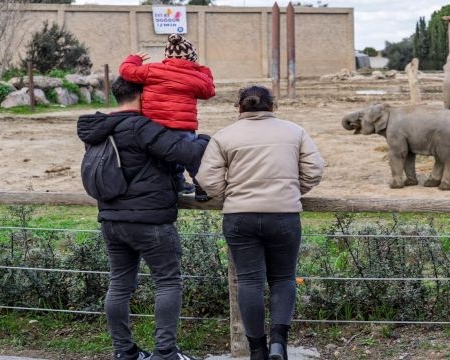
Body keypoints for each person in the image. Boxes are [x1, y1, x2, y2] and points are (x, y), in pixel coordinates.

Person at [77, 77, 208, 360]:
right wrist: (204, 139)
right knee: (168, 281)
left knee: (120, 283)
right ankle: (165, 352)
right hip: (150, 221)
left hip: (111, 219)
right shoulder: (140, 126)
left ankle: (125, 352)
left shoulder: (98, 130)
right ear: (144, 94)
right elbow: (185, 153)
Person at [196, 85, 325, 360]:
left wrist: (228, 195)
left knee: (249, 282)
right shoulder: (295, 131)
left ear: (239, 107)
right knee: (283, 278)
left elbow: (207, 178)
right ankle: (279, 343)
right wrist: (291, 191)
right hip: (284, 215)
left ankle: (256, 350)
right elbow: (314, 170)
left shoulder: (224, 136)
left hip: (239, 217)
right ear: (273, 106)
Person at [119, 33, 215, 201]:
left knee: (164, 158)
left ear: (166, 56)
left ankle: (177, 184)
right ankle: (202, 189)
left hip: (154, 127)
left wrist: (133, 59)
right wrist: (201, 69)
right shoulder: (196, 76)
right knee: (191, 156)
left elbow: (127, 71)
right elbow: (209, 91)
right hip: (183, 127)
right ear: (192, 58)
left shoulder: (152, 69)